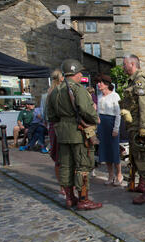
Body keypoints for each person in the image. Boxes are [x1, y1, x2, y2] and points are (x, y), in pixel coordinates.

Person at [46, 59, 102, 211]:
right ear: (76, 73)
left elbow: (50, 115)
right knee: (83, 165)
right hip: (78, 133)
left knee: (66, 165)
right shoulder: (78, 89)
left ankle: (70, 198)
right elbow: (86, 110)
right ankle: (83, 199)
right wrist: (94, 118)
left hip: (62, 134)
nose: (81, 75)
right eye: (80, 72)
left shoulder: (55, 91)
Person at [120, 54, 145, 204]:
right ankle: (142, 186)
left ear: (132, 64)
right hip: (132, 125)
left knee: (142, 158)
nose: (122, 67)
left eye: (124, 64)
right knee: (135, 157)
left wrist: (144, 127)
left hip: (139, 126)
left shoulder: (140, 80)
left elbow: (144, 104)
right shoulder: (132, 80)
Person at [96, 74, 123, 186]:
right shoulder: (99, 96)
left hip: (111, 124)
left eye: (100, 82)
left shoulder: (115, 96)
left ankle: (119, 175)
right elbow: (98, 112)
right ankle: (110, 175)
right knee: (105, 150)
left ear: (106, 84)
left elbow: (118, 114)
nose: (98, 84)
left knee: (114, 150)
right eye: (98, 82)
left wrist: (116, 128)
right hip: (102, 125)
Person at [45, 69, 65, 195]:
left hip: (53, 126)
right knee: (62, 158)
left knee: (59, 158)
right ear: (60, 78)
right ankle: (64, 186)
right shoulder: (58, 92)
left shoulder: (49, 93)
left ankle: (63, 186)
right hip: (60, 126)